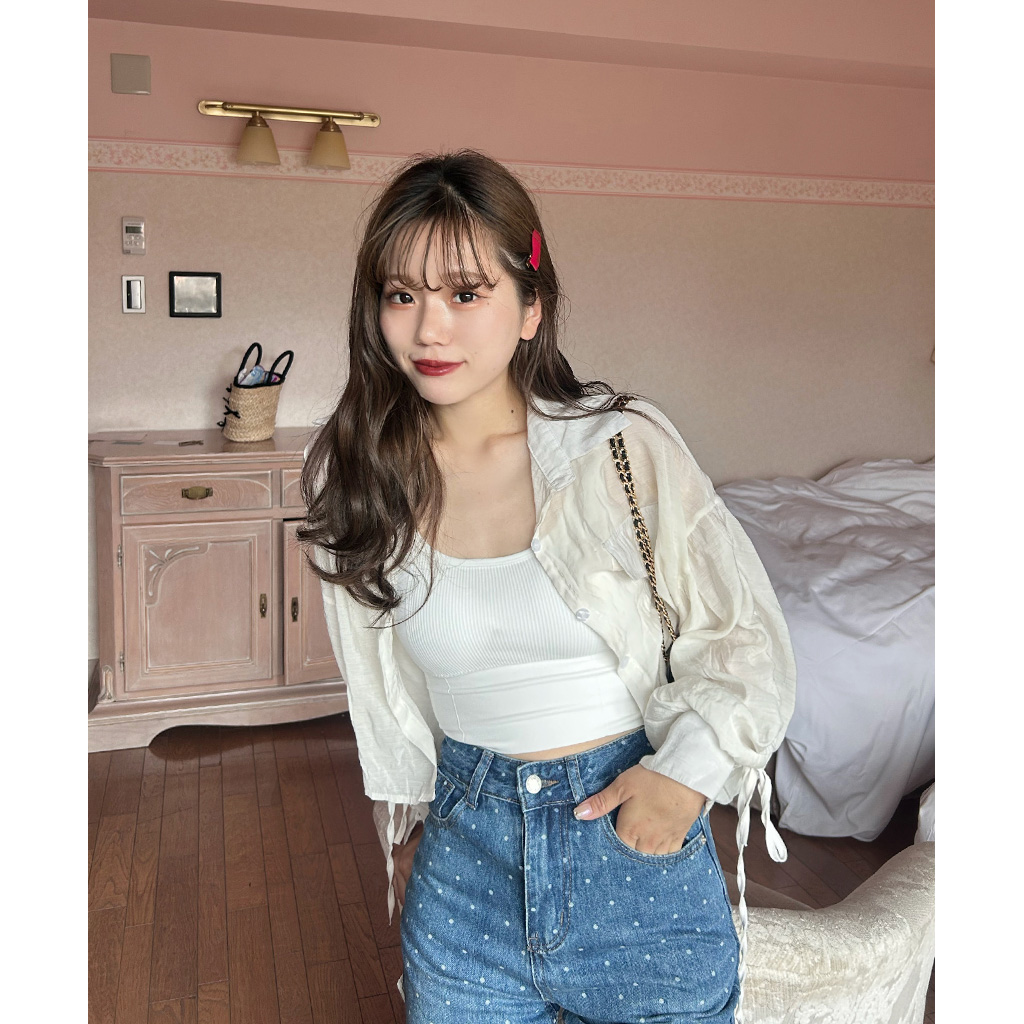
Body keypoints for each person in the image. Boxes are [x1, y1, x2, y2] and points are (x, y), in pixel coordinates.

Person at [300, 149, 796, 1024]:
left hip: (631, 853)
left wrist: (686, 777)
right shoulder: (356, 478)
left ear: (531, 307)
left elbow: (744, 636)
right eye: (402, 294)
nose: (429, 329)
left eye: (465, 293)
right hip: (463, 874)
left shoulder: (618, 450)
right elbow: (389, 693)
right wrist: (417, 822)